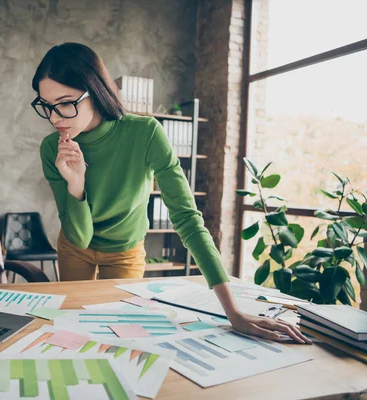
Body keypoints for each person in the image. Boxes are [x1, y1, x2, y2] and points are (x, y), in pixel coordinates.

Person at [31, 42, 309, 344]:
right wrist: (76, 185)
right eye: (46, 105)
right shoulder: (52, 149)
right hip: (74, 245)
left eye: (65, 102)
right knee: (72, 333)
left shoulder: (145, 133)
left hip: (125, 250)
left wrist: (234, 312)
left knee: (117, 337)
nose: (55, 117)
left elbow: (187, 219)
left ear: (94, 90)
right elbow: (81, 237)